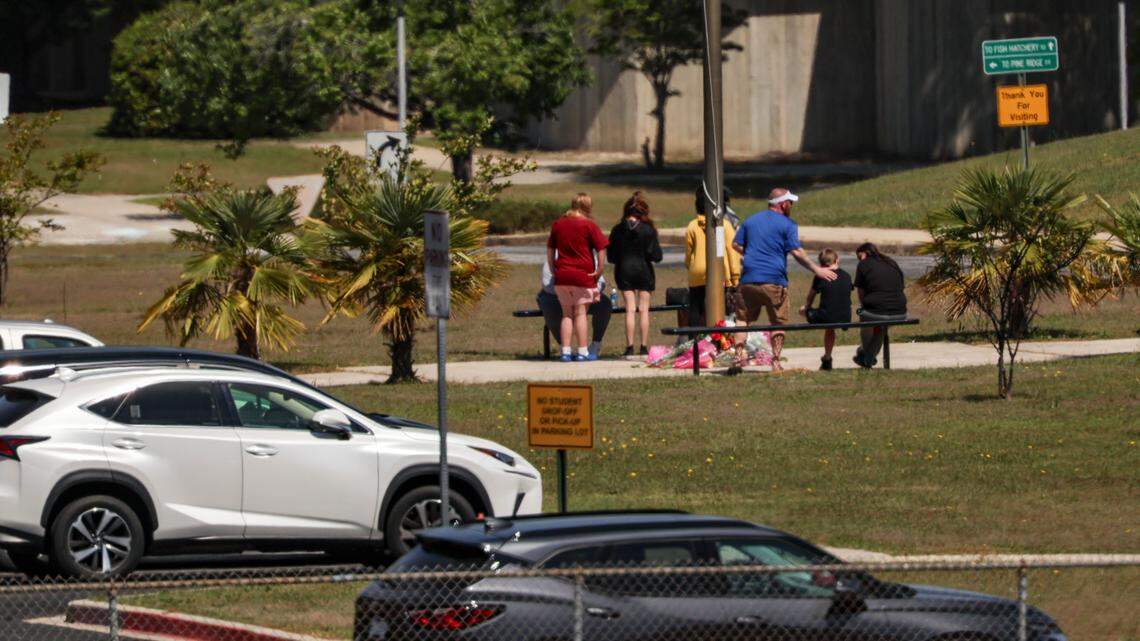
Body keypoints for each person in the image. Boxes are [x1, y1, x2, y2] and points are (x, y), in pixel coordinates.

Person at [732, 188, 836, 371]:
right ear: (783, 204)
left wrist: (752, 253)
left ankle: (737, 359)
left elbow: (735, 244)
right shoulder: (788, 224)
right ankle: (775, 362)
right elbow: (796, 251)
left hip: (748, 280)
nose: (792, 205)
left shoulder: (750, 221)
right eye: (790, 202)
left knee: (742, 320)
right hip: (774, 281)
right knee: (778, 323)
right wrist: (817, 269)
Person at [546, 193, 609, 362]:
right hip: (582, 275)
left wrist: (553, 268)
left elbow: (550, 249)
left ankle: (565, 351)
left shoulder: (558, 224)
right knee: (581, 314)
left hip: (562, 275)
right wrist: (599, 269)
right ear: (587, 207)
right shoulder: (589, 225)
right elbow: (601, 248)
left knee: (566, 314)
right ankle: (582, 351)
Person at [608, 191, 663, 357]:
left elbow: (611, 257)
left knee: (630, 309)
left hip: (624, 271)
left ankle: (629, 347)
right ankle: (644, 347)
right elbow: (656, 256)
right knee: (644, 310)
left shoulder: (617, 230)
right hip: (644, 271)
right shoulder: (648, 230)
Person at [684, 186, 743, 328]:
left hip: (696, 273)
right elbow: (732, 253)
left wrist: (691, 266)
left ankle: (695, 337)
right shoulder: (725, 226)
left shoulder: (692, 226)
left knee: (696, 307)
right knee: (720, 307)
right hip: (719, 272)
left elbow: (688, 254)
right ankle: (720, 336)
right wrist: (735, 278)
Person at [537, 257, 611, 359]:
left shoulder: (589, 257)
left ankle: (594, 345)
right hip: (558, 296)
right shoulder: (554, 257)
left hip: (583, 294)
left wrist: (584, 293)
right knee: (551, 305)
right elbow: (546, 284)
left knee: (604, 304)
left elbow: (601, 282)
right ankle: (566, 348)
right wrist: (567, 294)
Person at [852, 242, 908, 368]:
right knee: (881, 327)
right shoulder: (891, 262)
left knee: (862, 314)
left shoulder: (863, 264)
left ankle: (865, 353)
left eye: (859, 256)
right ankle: (867, 356)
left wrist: (864, 306)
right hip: (900, 312)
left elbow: (861, 293)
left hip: (875, 312)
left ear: (863, 253)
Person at [798, 248, 852, 371]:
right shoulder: (847, 276)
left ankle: (827, 357)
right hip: (845, 317)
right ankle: (827, 357)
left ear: (821, 263)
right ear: (837, 260)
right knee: (830, 326)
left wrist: (807, 308)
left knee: (802, 310)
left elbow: (810, 297)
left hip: (826, 316)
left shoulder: (820, 276)